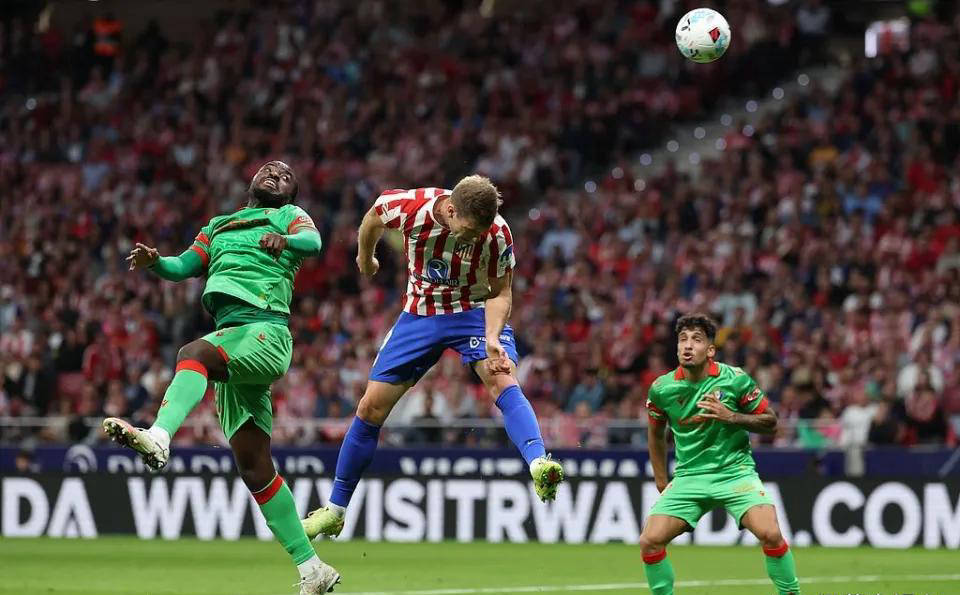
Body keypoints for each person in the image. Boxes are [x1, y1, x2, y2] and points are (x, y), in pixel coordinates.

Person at [101, 161, 339, 595]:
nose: (276, 176)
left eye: (286, 177)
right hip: (232, 338)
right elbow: (183, 266)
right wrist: (157, 262)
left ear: (291, 195)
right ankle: (313, 569)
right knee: (254, 468)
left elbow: (314, 242)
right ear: (252, 180)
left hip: (265, 332)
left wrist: (285, 240)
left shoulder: (288, 216)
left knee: (192, 354)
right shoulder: (218, 225)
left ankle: (159, 437)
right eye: (269, 170)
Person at [302, 176, 564, 539]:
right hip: (421, 315)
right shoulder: (411, 208)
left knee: (501, 377)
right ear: (451, 211)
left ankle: (539, 463)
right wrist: (365, 255)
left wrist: (492, 336)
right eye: (470, 231)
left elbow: (501, 292)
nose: (476, 238)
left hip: (473, 311)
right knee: (370, 407)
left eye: (481, 231)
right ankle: (335, 511)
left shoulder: (497, 232)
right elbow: (374, 216)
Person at [641, 313, 800, 595]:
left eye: (696, 340)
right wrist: (662, 480)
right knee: (649, 541)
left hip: (735, 473)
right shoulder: (662, 389)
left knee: (771, 534)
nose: (688, 345)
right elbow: (655, 434)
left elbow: (771, 422)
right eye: (683, 339)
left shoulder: (735, 379)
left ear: (710, 350)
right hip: (689, 476)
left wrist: (732, 416)